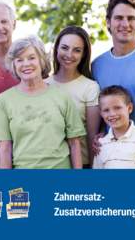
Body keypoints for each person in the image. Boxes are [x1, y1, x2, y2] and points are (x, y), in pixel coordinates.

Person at [0, 35, 86, 169]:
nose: (26, 64)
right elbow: (5, 148)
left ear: (42, 60)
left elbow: (74, 143)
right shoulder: (4, 100)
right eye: (19, 60)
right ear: (14, 65)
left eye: (31, 58)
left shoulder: (61, 96)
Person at [92, 0, 135, 152]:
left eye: (131, 18)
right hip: (116, 159)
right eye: (119, 18)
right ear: (108, 22)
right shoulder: (97, 65)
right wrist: (99, 135)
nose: (125, 23)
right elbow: (104, 108)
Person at [47, 26, 100, 168]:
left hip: (82, 165)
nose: (69, 54)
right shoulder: (43, 85)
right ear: (56, 49)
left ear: (83, 54)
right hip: (52, 165)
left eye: (77, 50)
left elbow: (91, 135)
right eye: (64, 48)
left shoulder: (90, 87)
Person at [93, 85, 135, 169]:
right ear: (101, 113)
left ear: (130, 108)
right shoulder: (100, 144)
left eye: (117, 108)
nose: (112, 114)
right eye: (106, 110)